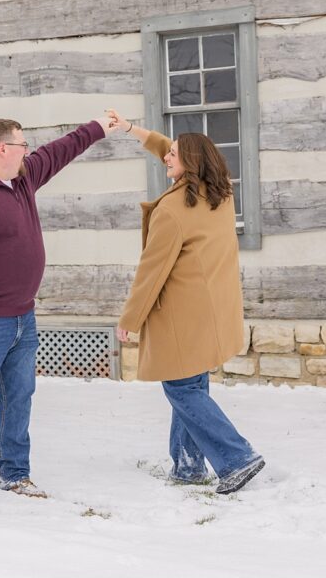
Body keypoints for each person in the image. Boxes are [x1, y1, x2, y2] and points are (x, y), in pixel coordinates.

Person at [0, 115, 118, 510]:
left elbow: (59, 151)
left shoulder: (23, 178)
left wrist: (98, 127)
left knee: (18, 397)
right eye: (23, 144)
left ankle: (14, 473)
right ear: (2, 149)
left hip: (21, 317)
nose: (29, 151)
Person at [107, 108, 265, 495]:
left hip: (180, 314)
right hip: (210, 310)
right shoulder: (220, 190)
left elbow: (151, 271)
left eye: (174, 154)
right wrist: (131, 129)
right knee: (193, 385)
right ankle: (189, 466)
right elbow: (169, 147)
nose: (167, 156)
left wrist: (131, 318)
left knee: (181, 390)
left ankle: (237, 458)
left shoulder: (173, 211)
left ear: (190, 162)